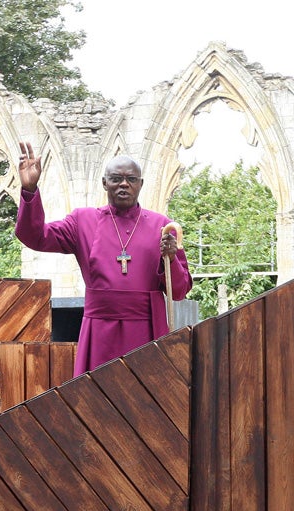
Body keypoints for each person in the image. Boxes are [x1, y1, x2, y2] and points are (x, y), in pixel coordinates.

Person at [15, 142, 192, 376]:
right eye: (116, 178)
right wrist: (30, 191)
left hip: (146, 328)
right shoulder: (82, 221)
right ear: (104, 183)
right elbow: (35, 237)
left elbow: (179, 291)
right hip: (99, 331)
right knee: (97, 400)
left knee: (147, 400)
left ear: (140, 184)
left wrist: (170, 259)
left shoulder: (162, 226)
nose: (124, 184)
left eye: (131, 179)